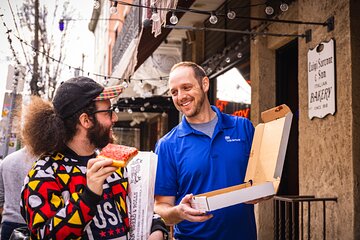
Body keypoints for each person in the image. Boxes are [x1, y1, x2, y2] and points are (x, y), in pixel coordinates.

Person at [20, 77, 167, 239]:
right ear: (85, 120)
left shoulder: (112, 162)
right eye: (108, 112)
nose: (115, 118)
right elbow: (43, 235)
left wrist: (157, 229)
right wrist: (89, 195)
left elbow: (139, 212)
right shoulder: (44, 173)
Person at [154, 61, 257, 239]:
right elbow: (161, 206)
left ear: (205, 84)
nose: (181, 96)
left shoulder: (243, 128)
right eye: (174, 92)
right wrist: (178, 212)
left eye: (186, 87)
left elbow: (263, 177)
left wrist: (262, 192)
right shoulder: (167, 145)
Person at [0, 147, 35, 240]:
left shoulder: (8, 160)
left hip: (8, 223)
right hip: (35, 226)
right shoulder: (48, 164)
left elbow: (0, 197)